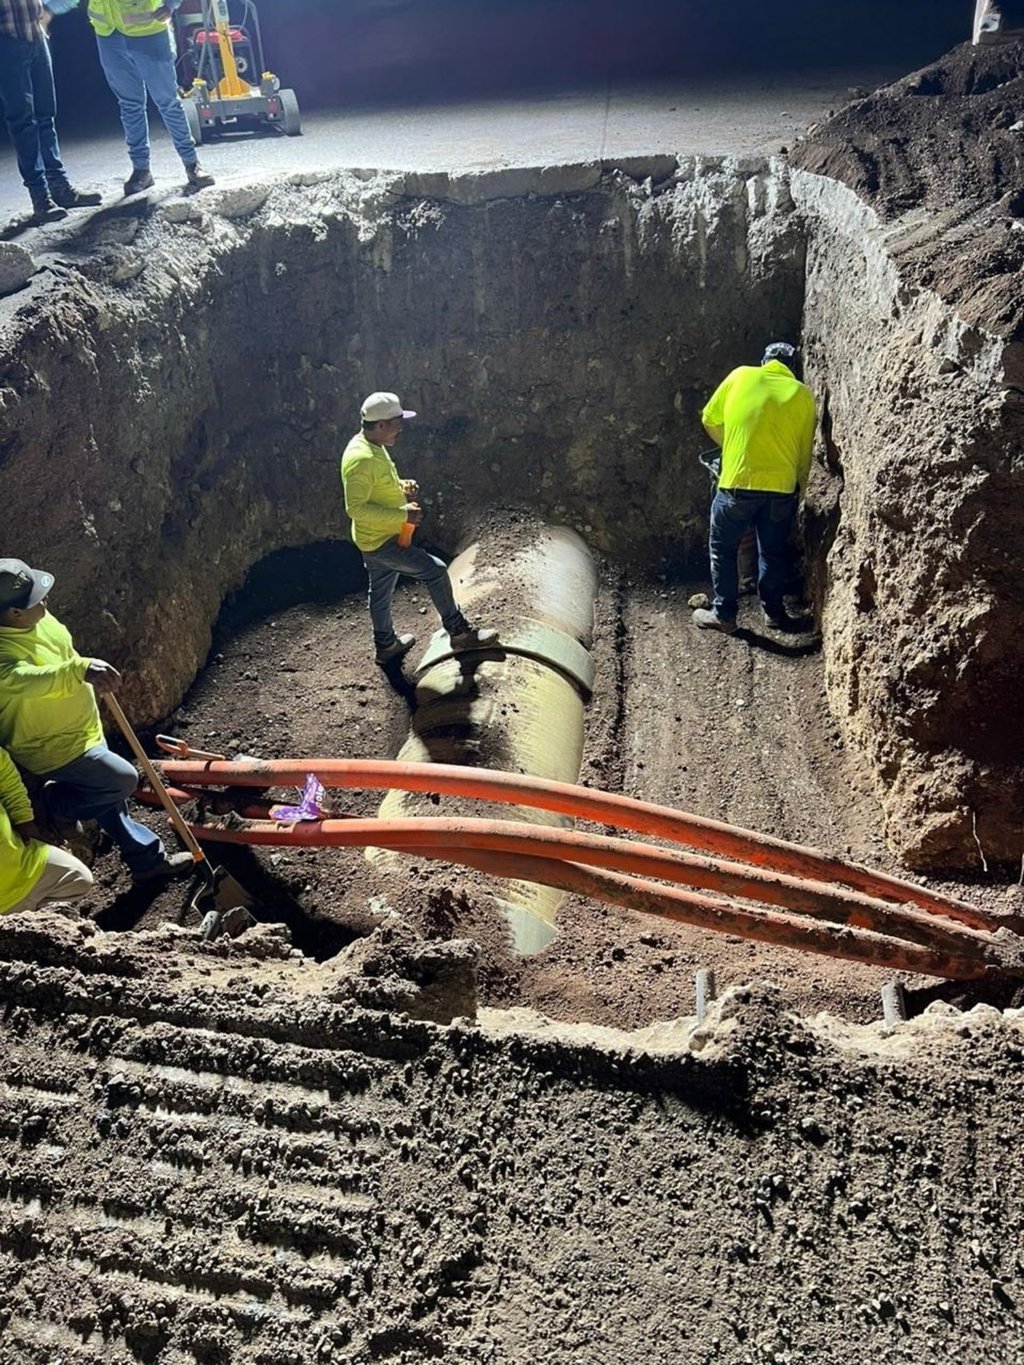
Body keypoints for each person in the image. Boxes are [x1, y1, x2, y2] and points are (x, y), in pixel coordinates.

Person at [0, 557, 193, 884]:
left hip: (83, 728)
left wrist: (83, 671)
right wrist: (80, 670)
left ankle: (146, 859)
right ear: (14, 613)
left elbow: (62, 651)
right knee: (120, 781)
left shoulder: (36, 619)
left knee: (108, 798)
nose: (45, 600)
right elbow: (30, 678)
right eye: (35, 599)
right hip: (52, 747)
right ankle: (58, 806)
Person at [340, 393, 498, 666]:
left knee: (379, 591)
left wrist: (400, 486)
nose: (400, 429)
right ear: (380, 425)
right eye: (397, 423)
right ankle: (459, 633)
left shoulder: (372, 446)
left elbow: (377, 485)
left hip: (374, 539)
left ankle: (386, 645)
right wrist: (403, 514)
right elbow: (356, 508)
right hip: (380, 542)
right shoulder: (361, 459)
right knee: (435, 571)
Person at [693, 342, 816, 635]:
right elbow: (803, 456)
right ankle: (773, 613)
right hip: (780, 491)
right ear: (792, 368)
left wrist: (731, 447)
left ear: (764, 361)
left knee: (722, 549)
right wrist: (800, 489)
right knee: (773, 553)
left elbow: (709, 418)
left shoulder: (740, 376)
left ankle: (724, 614)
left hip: (737, 484)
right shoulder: (803, 395)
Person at [87, 0, 214, 197]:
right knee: (130, 105)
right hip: (109, 36)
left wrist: (170, 6)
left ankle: (192, 164)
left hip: (149, 32)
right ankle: (141, 171)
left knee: (168, 102)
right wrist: (52, 8)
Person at [0, 0, 103, 223]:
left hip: (36, 38)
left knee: (46, 116)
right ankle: (40, 197)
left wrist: (49, 10)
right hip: (7, 43)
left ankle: (59, 187)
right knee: (22, 121)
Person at [1, 742, 93, 917]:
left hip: (22, 860)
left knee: (79, 879)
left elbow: (5, 774)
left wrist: (25, 821)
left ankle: (34, 921)